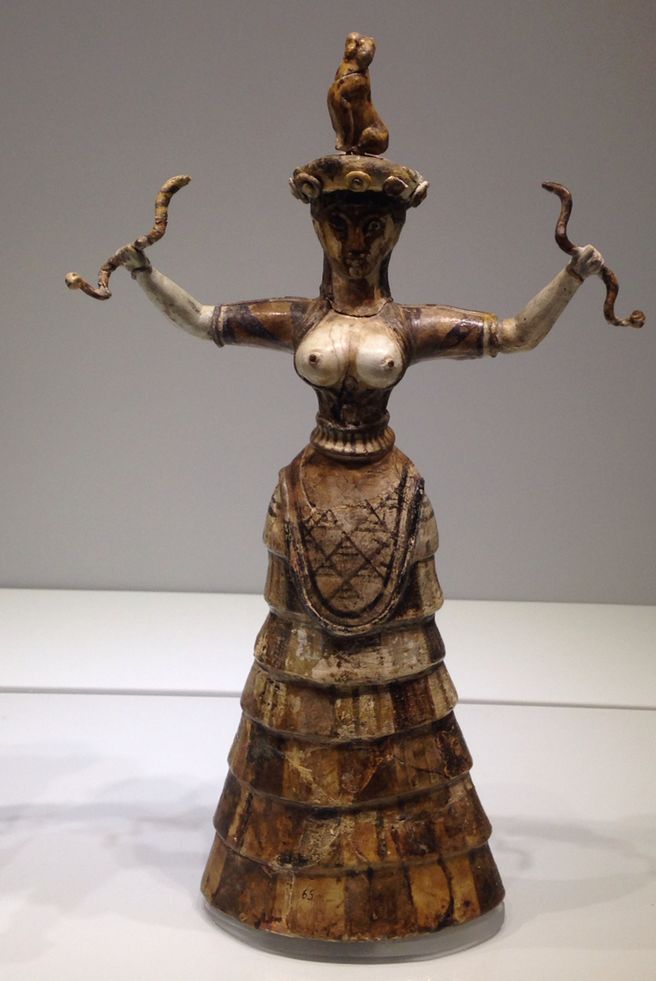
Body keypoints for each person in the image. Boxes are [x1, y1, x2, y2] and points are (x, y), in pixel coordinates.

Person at [117, 152, 602, 943]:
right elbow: (203, 318)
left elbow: (515, 334)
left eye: (372, 224)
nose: (354, 240)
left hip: (387, 490)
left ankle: (407, 876)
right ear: (316, 225)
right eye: (338, 222)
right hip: (311, 488)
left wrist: (574, 276)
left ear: (396, 230)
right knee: (303, 662)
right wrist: (143, 273)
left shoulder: (407, 325)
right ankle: (292, 882)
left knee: (397, 669)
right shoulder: (298, 319)